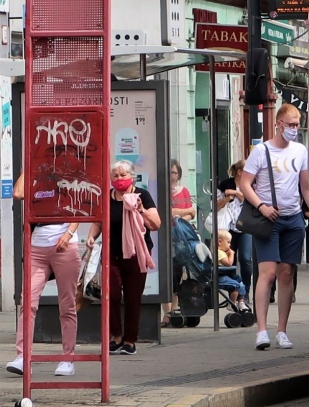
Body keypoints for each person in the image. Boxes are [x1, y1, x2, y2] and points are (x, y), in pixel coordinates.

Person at [238, 103, 309, 351]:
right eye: (290, 124)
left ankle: (282, 330)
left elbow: (305, 186)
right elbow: (245, 184)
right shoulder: (262, 151)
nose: (294, 128)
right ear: (278, 124)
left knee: (286, 274)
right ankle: (261, 330)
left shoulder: (301, 150)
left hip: (293, 219)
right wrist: (261, 207)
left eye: (297, 124)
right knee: (267, 273)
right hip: (268, 219)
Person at [6, 173, 82, 377]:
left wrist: (68, 234)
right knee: (27, 302)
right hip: (38, 245)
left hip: (64, 243)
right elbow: (18, 193)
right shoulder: (37, 178)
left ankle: (68, 357)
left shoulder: (69, 177)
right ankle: (23, 357)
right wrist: (27, 167)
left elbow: (80, 209)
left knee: (67, 304)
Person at [89, 161, 160, 355]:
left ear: (132, 176)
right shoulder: (106, 198)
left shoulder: (142, 196)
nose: (119, 179)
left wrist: (140, 209)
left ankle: (130, 341)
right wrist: (91, 236)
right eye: (115, 176)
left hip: (137, 253)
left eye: (123, 175)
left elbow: (156, 224)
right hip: (111, 254)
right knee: (110, 295)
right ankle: (116, 337)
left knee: (132, 297)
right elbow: (98, 222)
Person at [164, 159, 196, 325]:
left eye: (175, 172)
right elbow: (166, 212)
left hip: (181, 237)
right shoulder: (162, 190)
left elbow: (193, 214)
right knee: (166, 273)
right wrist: (183, 212)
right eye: (169, 172)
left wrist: (179, 217)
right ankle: (166, 313)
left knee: (178, 273)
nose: (172, 176)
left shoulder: (184, 191)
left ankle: (174, 311)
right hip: (165, 236)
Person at [217, 160, 254, 291]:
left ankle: (246, 289)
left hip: (246, 227)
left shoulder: (251, 185)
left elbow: (252, 202)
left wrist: (237, 193)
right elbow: (215, 206)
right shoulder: (225, 184)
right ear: (239, 172)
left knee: (245, 258)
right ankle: (234, 289)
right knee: (228, 259)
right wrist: (227, 198)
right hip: (228, 228)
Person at [215, 230, 251, 311]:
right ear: (220, 242)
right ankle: (232, 303)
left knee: (241, 285)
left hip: (227, 274)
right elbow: (229, 263)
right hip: (221, 276)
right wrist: (232, 254)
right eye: (228, 242)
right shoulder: (218, 253)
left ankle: (241, 302)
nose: (230, 245)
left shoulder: (223, 252)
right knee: (236, 285)